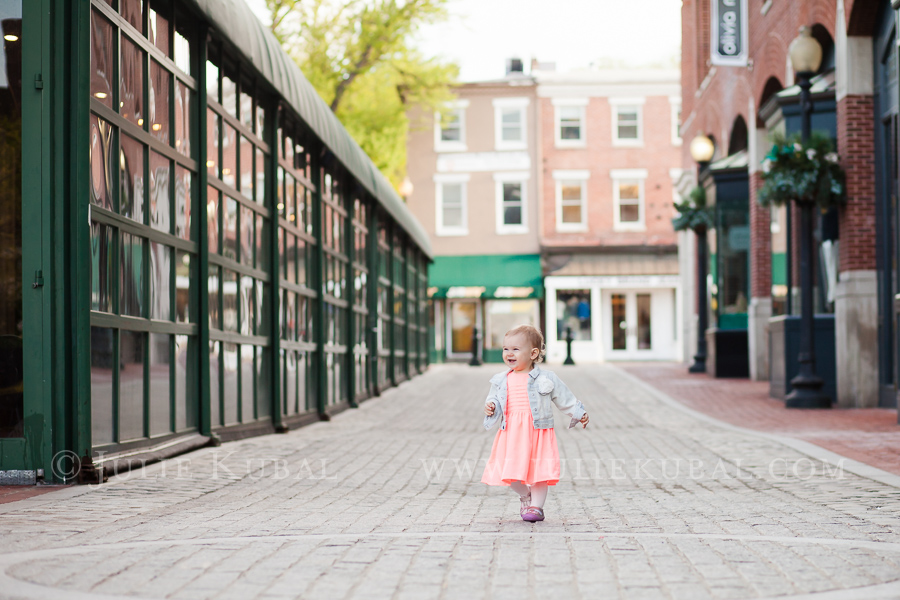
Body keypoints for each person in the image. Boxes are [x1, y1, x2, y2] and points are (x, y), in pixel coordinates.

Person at [481, 325, 589, 522]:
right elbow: (495, 400)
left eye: (515, 349)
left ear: (533, 353)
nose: (509, 354)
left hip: (538, 431)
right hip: (511, 433)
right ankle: (526, 496)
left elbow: (563, 397)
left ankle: (536, 507)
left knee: (539, 471)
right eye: (505, 349)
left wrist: (578, 412)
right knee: (510, 472)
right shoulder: (501, 380)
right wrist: (491, 407)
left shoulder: (547, 378)